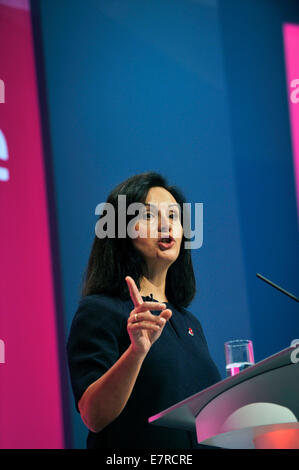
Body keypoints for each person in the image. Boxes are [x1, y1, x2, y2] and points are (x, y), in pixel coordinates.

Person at [67, 171, 221, 449]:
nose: (167, 225)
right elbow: (93, 415)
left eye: (174, 216)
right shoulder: (100, 310)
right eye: (149, 216)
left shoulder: (189, 323)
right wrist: (136, 352)